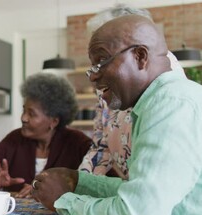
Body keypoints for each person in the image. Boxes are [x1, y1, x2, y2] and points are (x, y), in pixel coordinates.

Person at [32, 15, 202, 215]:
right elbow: (139, 195)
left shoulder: (171, 107)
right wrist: (80, 182)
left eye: (101, 62)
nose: (93, 77)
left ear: (140, 56)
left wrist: (63, 200)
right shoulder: (163, 102)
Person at [77, 4, 185, 180]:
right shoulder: (107, 78)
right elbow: (101, 144)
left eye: (103, 57)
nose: (95, 74)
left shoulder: (170, 91)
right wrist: (79, 184)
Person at [0, 72, 92, 198]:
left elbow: (108, 185)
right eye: (24, 110)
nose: (23, 118)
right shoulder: (14, 139)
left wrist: (61, 190)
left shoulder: (77, 143)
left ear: (53, 121)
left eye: (31, 114)